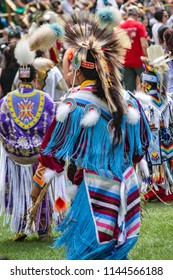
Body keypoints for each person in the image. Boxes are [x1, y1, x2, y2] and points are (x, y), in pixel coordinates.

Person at [31, 11, 151, 260]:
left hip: (93, 188)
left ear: (77, 69)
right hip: (125, 185)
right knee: (114, 253)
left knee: (88, 253)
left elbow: (51, 153)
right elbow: (141, 148)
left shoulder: (73, 105)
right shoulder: (129, 101)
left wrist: (38, 184)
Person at [0, 36, 57, 241]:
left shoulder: (6, 101)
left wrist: (11, 142)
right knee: (38, 187)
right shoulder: (47, 100)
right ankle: (43, 229)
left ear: (18, 79)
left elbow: (2, 124)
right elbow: (55, 123)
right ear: (35, 79)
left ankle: (21, 227)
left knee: (19, 189)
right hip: (38, 157)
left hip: (16, 157)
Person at [136, 44, 173, 202]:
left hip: (161, 139)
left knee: (161, 157)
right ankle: (158, 185)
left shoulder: (144, 102)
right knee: (157, 158)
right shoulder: (166, 100)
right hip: (159, 139)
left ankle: (161, 186)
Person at [120, 5, 148, 92]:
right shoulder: (139, 26)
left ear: (127, 15)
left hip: (125, 61)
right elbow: (144, 44)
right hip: (139, 60)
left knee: (129, 89)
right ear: (136, 15)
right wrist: (147, 57)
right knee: (147, 85)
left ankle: (131, 104)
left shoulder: (120, 27)